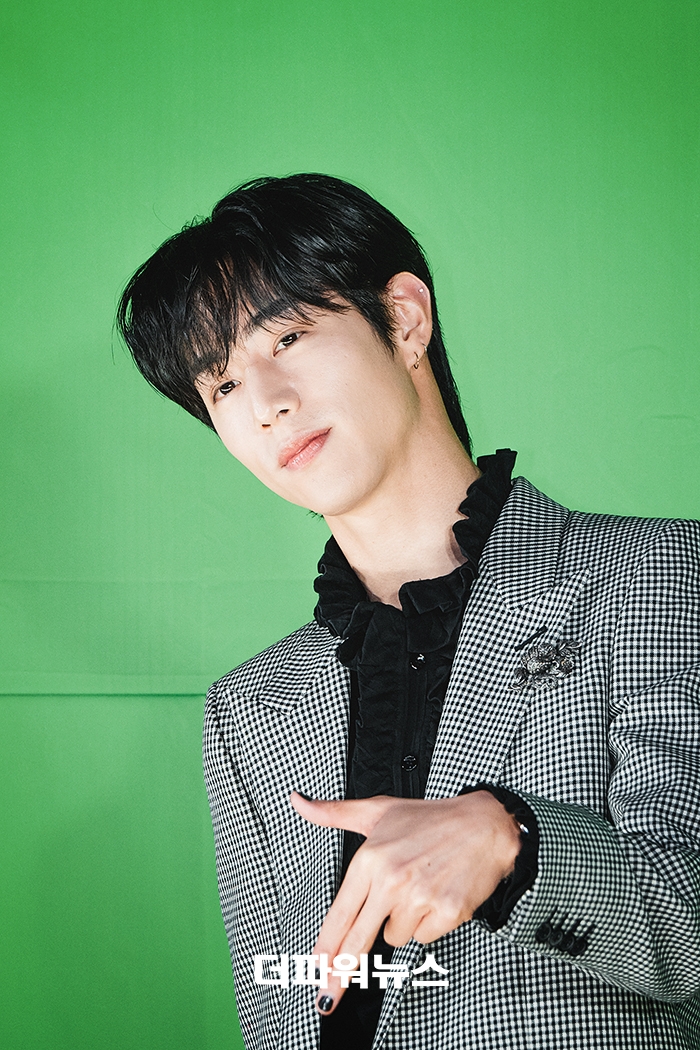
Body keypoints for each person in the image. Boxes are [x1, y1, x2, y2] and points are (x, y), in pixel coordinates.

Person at [117, 173, 700, 1049]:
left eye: (288, 336)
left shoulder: (654, 575)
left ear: (403, 318)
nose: (267, 404)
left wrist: (515, 843)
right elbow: (277, 1014)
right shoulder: (249, 707)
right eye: (222, 386)